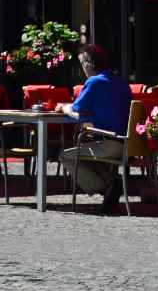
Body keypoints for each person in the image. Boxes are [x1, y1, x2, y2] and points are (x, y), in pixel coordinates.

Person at [57, 44, 133, 214]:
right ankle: (112, 184)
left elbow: (76, 109)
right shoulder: (121, 82)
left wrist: (63, 107)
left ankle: (108, 187)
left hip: (109, 143)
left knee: (66, 156)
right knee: (85, 152)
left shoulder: (94, 81)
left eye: (82, 64)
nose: (82, 69)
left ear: (88, 64)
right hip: (129, 144)